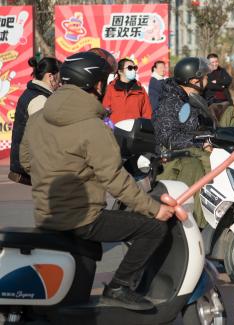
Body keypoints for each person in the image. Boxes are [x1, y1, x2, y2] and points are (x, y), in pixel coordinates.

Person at [20, 50, 174, 310]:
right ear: (97, 85)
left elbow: (26, 161)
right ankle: (118, 288)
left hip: (46, 215)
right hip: (84, 219)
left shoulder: (37, 119)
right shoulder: (93, 127)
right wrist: (154, 209)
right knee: (153, 229)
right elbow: (115, 180)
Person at [153, 57, 213, 227]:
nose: (208, 80)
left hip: (187, 152)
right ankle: (196, 223)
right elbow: (168, 137)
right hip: (172, 159)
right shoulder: (171, 102)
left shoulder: (191, 99)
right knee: (197, 168)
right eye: (205, 76)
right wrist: (200, 143)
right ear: (194, 81)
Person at [9, 57, 62, 185]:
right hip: (33, 164)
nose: (61, 82)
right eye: (60, 77)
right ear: (50, 76)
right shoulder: (39, 100)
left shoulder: (32, 92)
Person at [102, 58, 152, 124]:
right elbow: (105, 111)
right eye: (130, 68)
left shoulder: (141, 90)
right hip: (115, 128)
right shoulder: (111, 88)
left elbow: (147, 114)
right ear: (120, 71)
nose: (133, 70)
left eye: (135, 68)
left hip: (135, 129)